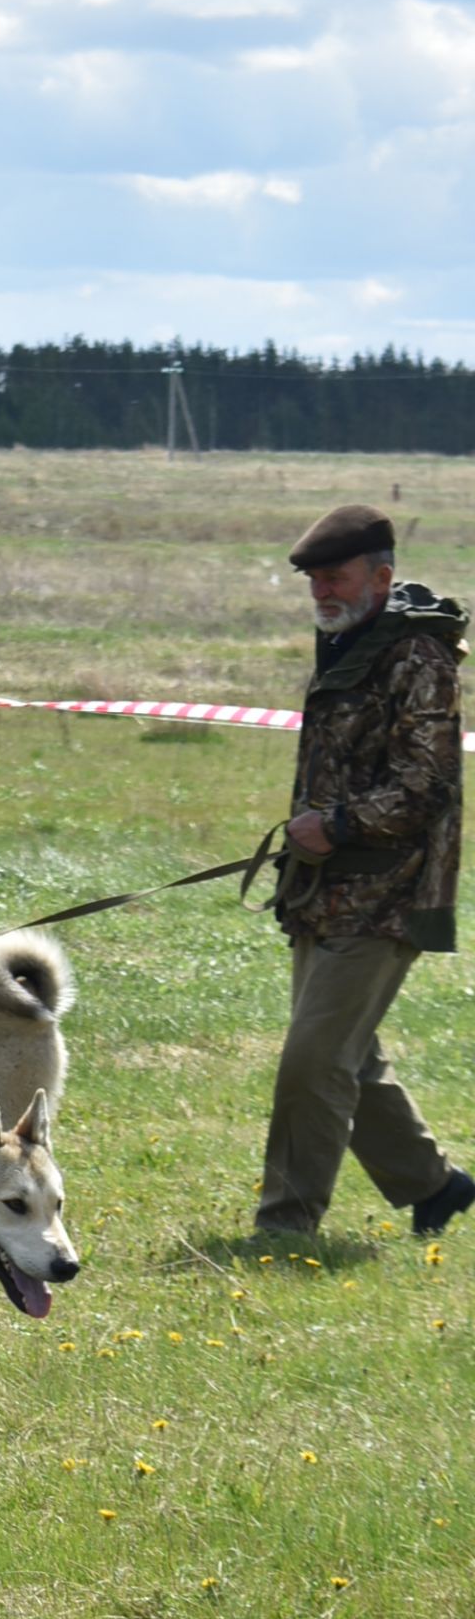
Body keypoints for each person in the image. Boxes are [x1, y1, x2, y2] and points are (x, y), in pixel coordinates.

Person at [255, 502, 470, 1241]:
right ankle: (435, 1187)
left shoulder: (419, 659)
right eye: (314, 580)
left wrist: (336, 825)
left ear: (381, 576)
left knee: (314, 1063)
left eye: (335, 577)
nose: (321, 591)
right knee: (349, 1056)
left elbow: (428, 784)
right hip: (322, 892)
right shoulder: (349, 644)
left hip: (387, 896)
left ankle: (286, 1224)